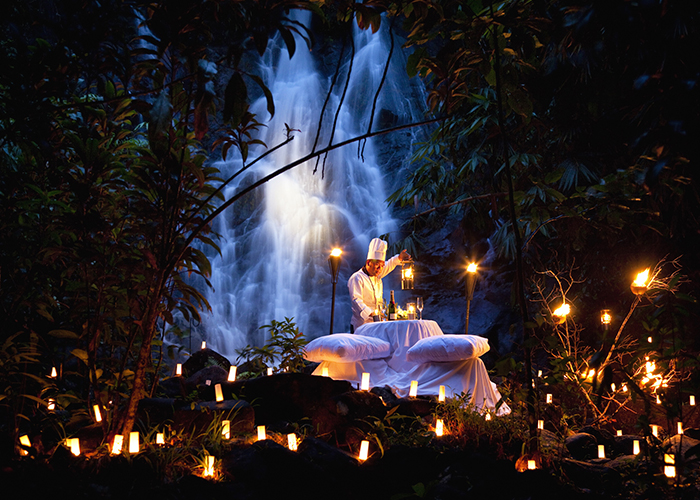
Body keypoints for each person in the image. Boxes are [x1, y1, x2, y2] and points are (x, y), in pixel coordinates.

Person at [348, 238, 411, 331]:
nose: (380, 269)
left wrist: (399, 258)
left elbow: (390, 263)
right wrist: (372, 313)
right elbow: (356, 300)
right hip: (361, 325)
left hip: (377, 324)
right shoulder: (357, 278)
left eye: (382, 265)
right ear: (368, 263)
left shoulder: (377, 274)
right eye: (377, 265)